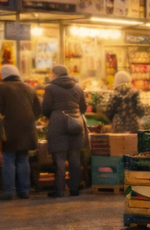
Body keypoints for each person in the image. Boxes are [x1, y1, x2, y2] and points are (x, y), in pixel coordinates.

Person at [41, 65, 88, 197]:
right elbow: (83, 107)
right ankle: (74, 189)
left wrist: (55, 114)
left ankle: (59, 190)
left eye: (51, 74)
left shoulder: (50, 88)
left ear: (56, 74)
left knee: (60, 159)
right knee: (75, 158)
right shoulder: (78, 87)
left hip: (58, 123)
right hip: (76, 124)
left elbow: (45, 108)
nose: (50, 76)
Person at [0, 64, 41, 200]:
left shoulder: (2, 88)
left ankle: (9, 192)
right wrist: (29, 120)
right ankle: (24, 191)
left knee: (8, 161)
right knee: (23, 160)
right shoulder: (29, 88)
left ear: (3, 75)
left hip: (9, 130)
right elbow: (38, 110)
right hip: (27, 129)